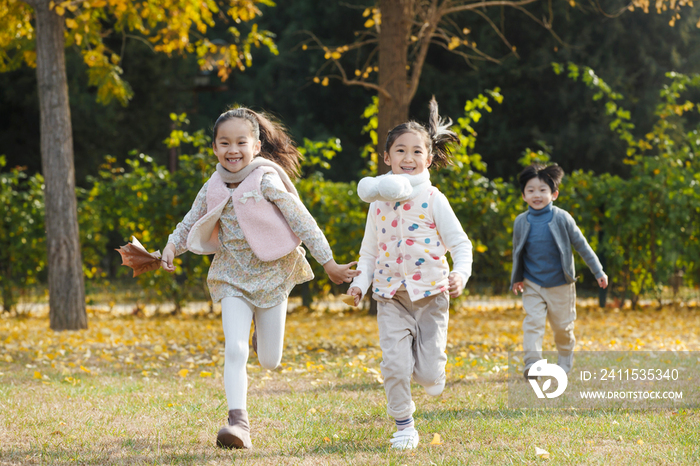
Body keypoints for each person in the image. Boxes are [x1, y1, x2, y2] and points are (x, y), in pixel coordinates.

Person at [161, 107, 359, 449]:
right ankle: (238, 423)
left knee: (270, 359)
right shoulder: (214, 183)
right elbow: (192, 219)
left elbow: (303, 221)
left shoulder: (266, 178)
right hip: (231, 275)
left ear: (256, 145)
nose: (232, 149)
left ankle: (260, 339)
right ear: (214, 147)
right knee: (234, 349)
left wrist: (329, 263)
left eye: (241, 142)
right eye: (224, 143)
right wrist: (169, 247)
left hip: (272, 273)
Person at [347, 98, 473, 450]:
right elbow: (369, 252)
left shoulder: (434, 199)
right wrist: (360, 283)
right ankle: (404, 426)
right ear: (386, 158)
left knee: (431, 380)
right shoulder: (377, 204)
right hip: (390, 298)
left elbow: (462, 245)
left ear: (428, 159)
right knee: (395, 367)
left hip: (432, 296)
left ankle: (430, 366)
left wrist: (460, 274)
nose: (408, 157)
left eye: (416, 151)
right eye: (400, 150)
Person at [510, 164, 608, 378]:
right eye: (531, 190)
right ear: (524, 195)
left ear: (554, 194)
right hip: (533, 283)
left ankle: (564, 360)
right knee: (533, 323)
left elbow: (582, 246)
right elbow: (517, 253)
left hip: (561, 284)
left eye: (543, 190)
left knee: (563, 328)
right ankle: (532, 363)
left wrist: (598, 271)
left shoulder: (562, 218)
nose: (537, 195)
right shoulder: (520, 222)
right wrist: (517, 279)